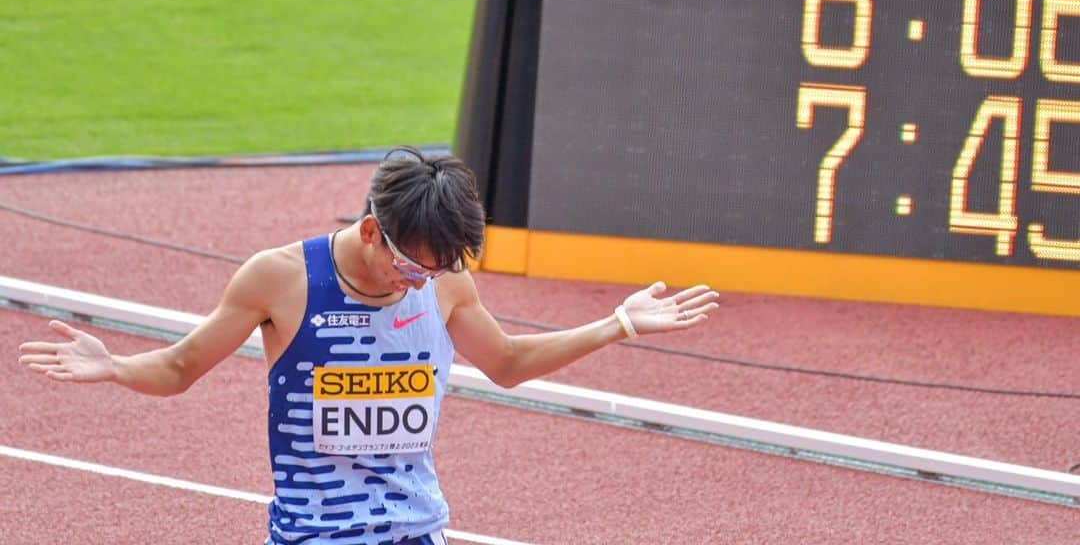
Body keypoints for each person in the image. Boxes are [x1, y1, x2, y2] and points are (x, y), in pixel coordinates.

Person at [18, 146, 720, 545]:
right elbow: (179, 367)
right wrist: (112, 366)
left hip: (418, 531)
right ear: (368, 232)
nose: (420, 283)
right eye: (410, 265)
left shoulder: (442, 284)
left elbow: (505, 364)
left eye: (438, 270)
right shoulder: (281, 279)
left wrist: (617, 325)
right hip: (317, 538)